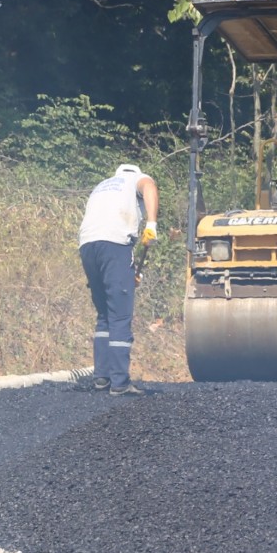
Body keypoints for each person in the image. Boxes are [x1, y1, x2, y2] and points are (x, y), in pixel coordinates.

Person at [77, 162, 159, 395]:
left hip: (88, 246)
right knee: (120, 315)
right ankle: (120, 382)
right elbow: (150, 187)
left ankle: (101, 377)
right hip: (115, 244)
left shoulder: (103, 186)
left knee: (104, 313)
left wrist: (128, 273)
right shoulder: (137, 180)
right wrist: (151, 225)